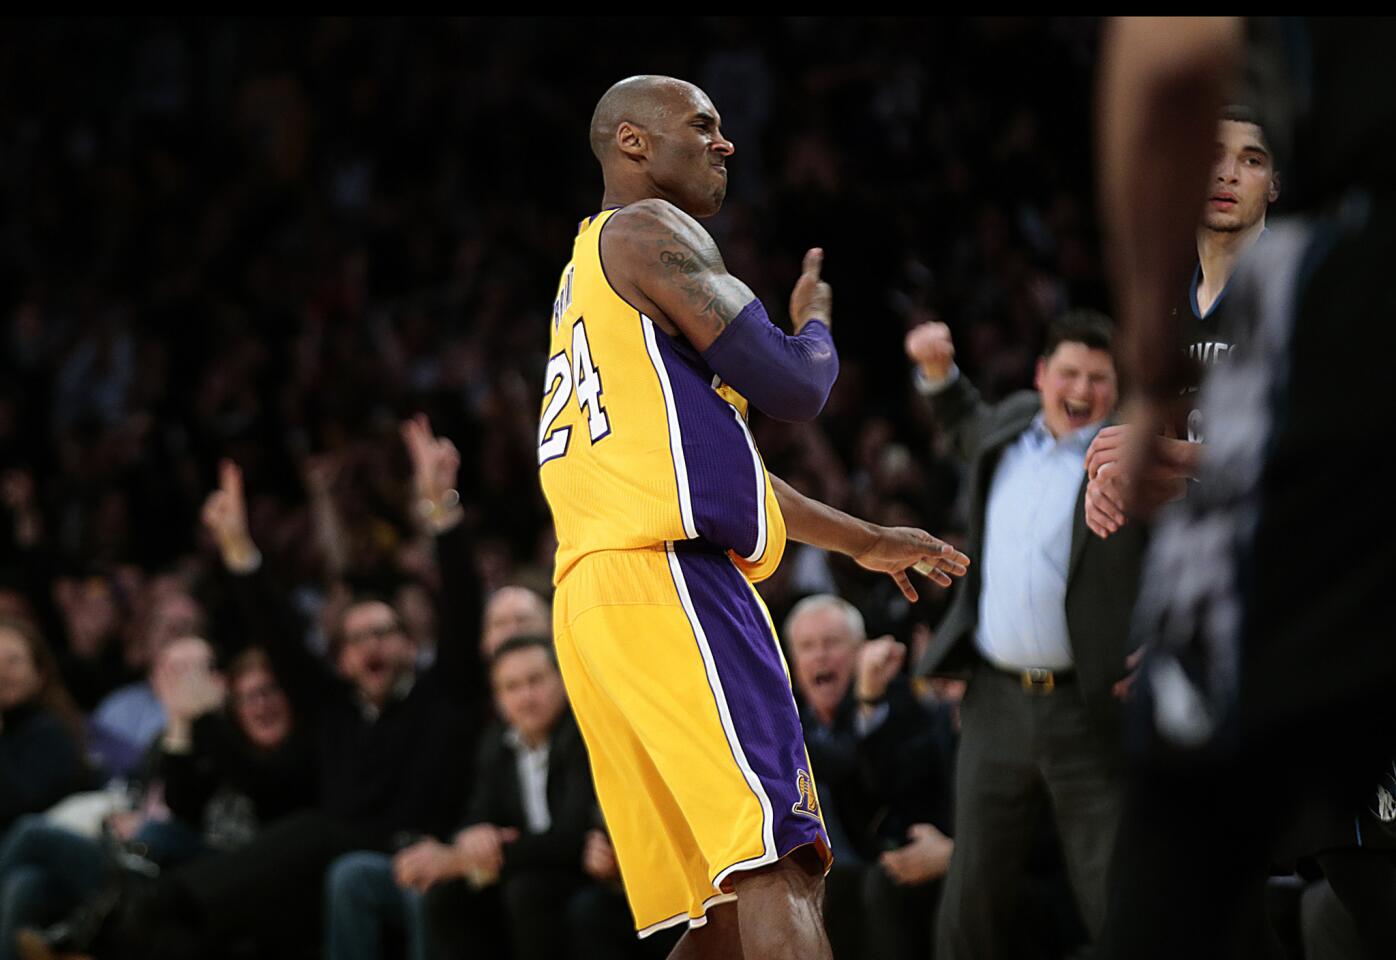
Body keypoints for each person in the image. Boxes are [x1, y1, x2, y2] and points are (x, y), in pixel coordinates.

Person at [538, 75, 969, 958]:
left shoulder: (585, 279)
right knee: (785, 861)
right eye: (702, 125)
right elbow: (797, 384)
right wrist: (814, 326)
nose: (724, 143)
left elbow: (737, 481)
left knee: (725, 910)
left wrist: (868, 540)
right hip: (666, 580)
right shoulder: (649, 231)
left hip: (595, 598)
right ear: (631, 143)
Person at [1094, 16, 1396, 959]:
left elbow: (1167, 60)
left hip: (1356, 300)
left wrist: (1151, 395)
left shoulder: (1285, 284)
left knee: (1190, 830)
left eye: (1249, 158)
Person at [903, 310, 1147, 959]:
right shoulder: (1009, 424)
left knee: (1112, 888)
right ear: (1041, 376)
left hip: (1087, 706)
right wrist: (938, 371)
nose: (1082, 388)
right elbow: (964, 424)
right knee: (972, 890)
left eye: (1099, 378)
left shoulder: (1135, 461)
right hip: (994, 703)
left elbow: (1186, 555)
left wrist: (1167, 641)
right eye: (1069, 371)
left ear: (1116, 390)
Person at [1083, 105, 1280, 540]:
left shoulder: (1292, 292)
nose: (1227, 173)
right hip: (1207, 554)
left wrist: (1172, 455)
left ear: (1274, 186)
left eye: (1251, 160)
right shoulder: (1163, 302)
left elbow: (1311, 457)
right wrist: (1116, 483)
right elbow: (1175, 478)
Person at [784, 594, 954, 960]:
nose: (820, 656)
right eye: (807, 647)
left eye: (832, 643)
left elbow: (871, 778)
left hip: (888, 865)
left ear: (862, 651)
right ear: (794, 663)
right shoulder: (784, 722)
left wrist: (868, 700)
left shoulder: (901, 702)